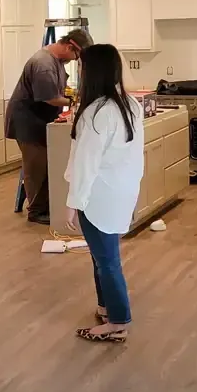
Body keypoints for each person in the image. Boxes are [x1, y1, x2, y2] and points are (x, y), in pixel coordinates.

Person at [64, 44, 144, 343]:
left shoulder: (96, 113)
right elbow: (135, 158)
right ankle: (106, 307)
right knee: (103, 256)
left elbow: (86, 164)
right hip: (120, 192)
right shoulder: (128, 105)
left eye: (82, 67)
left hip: (98, 196)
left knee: (107, 260)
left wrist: (73, 203)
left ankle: (118, 321)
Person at [4, 28, 93, 225]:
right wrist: (74, 102)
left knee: (46, 165)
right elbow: (50, 98)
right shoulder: (43, 64)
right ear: (70, 46)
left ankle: (46, 207)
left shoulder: (57, 61)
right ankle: (36, 211)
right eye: (77, 55)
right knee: (37, 167)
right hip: (28, 121)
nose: (75, 60)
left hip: (41, 120)